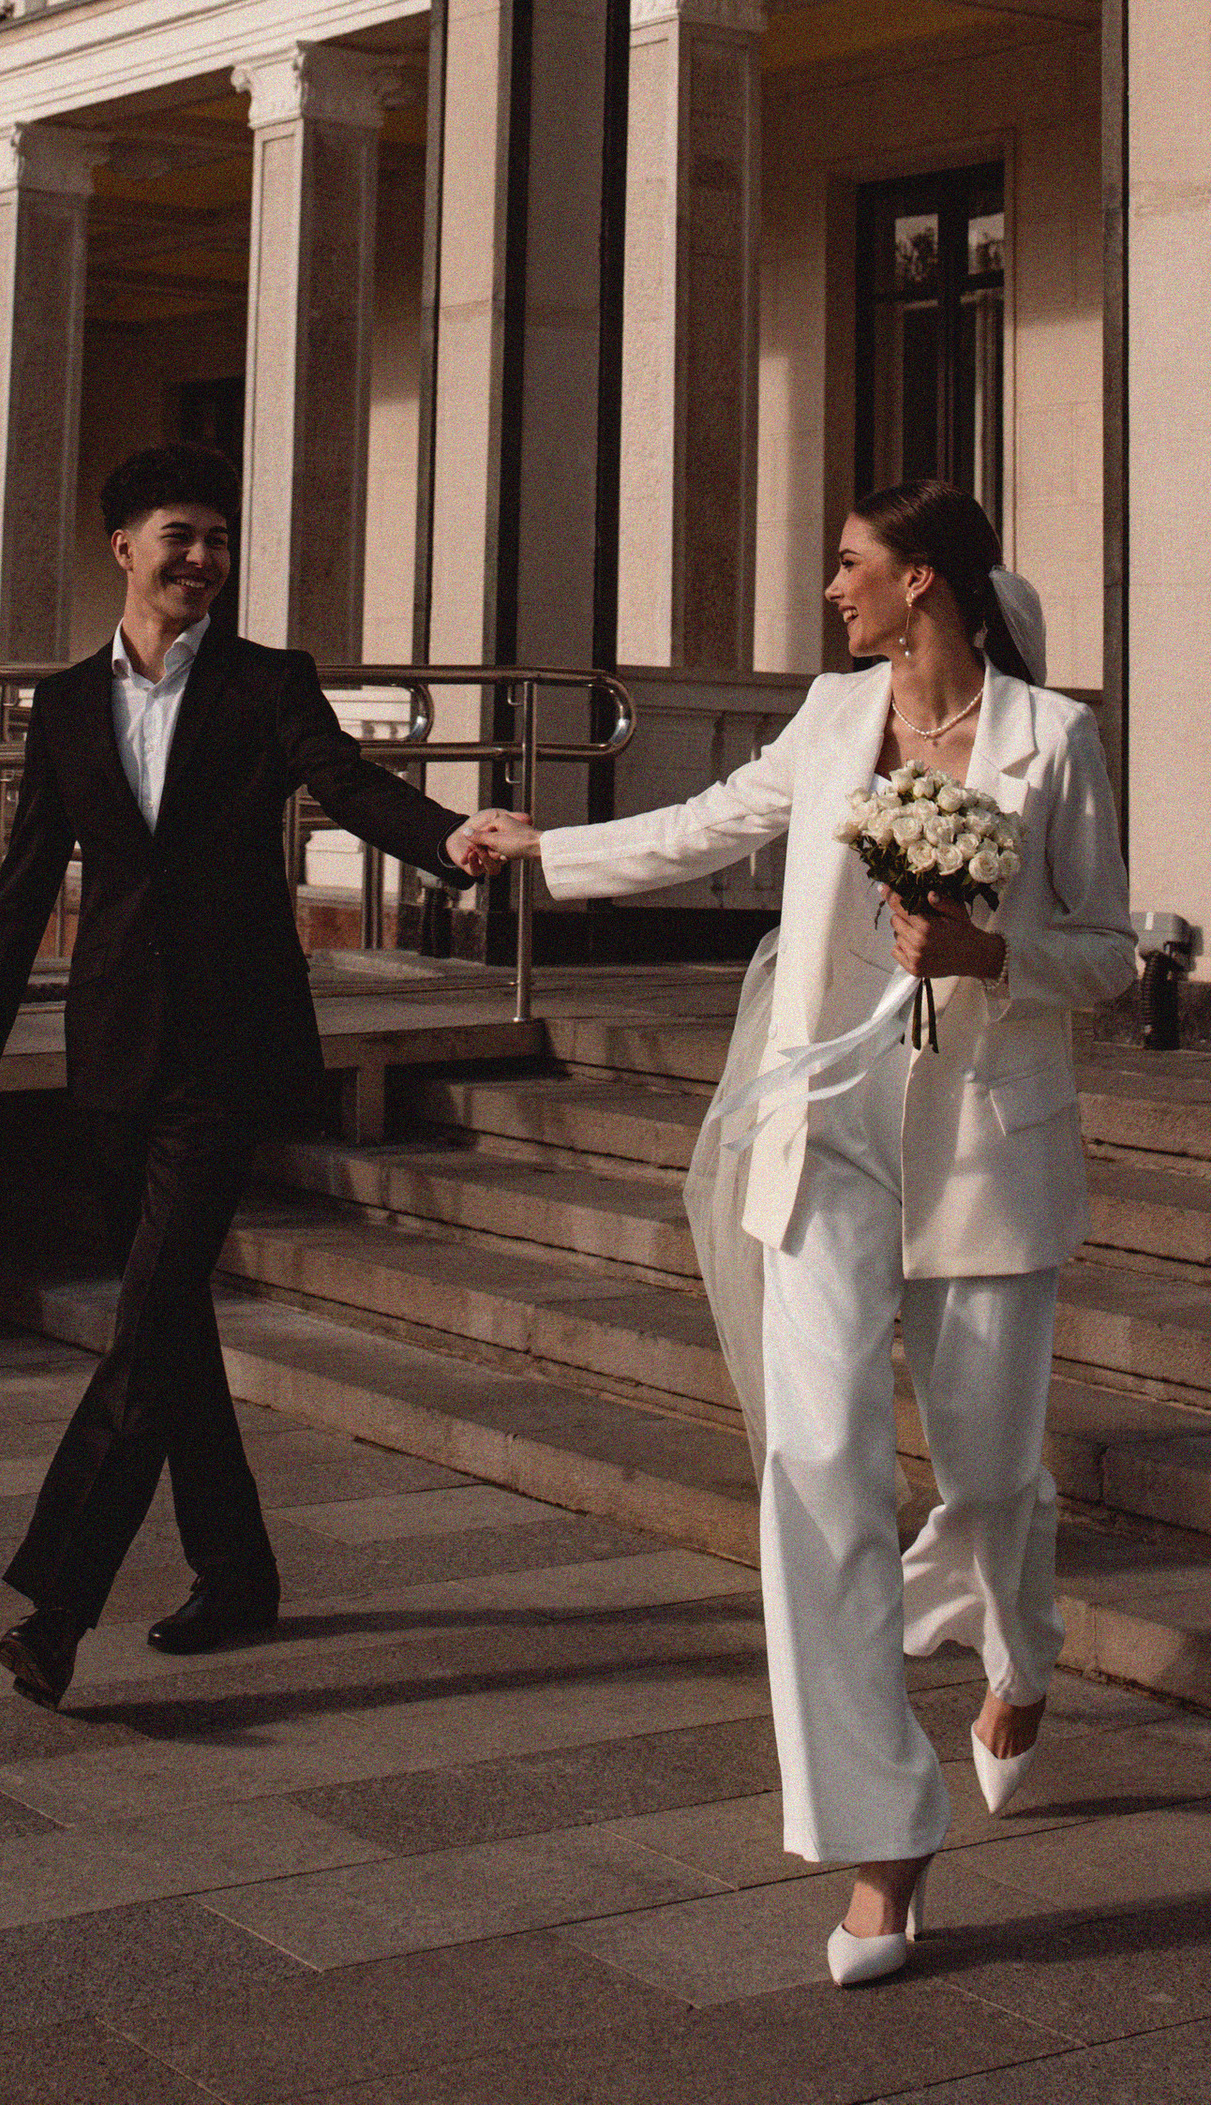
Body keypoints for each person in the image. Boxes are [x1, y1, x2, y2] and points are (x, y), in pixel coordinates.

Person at [463, 478, 1135, 1987]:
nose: (834, 592)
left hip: (984, 1157)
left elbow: (1110, 954)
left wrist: (991, 949)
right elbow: (707, 827)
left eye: (853, 567)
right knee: (819, 1472)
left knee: (987, 1470)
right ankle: (882, 1850)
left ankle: (1018, 1652)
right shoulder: (833, 722)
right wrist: (541, 855)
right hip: (825, 1136)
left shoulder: (1058, 740)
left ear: (931, 583)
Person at [0, 441, 483, 1708]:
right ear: (121, 547)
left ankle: (58, 1608)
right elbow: (26, 884)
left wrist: (449, 837)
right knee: (170, 1323)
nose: (203, 561)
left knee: (144, 1317)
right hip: (112, 1043)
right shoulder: (67, 705)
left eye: (220, 542)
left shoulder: (264, 682)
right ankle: (235, 1569)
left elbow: (345, 784)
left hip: (229, 1046)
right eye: (181, 536)